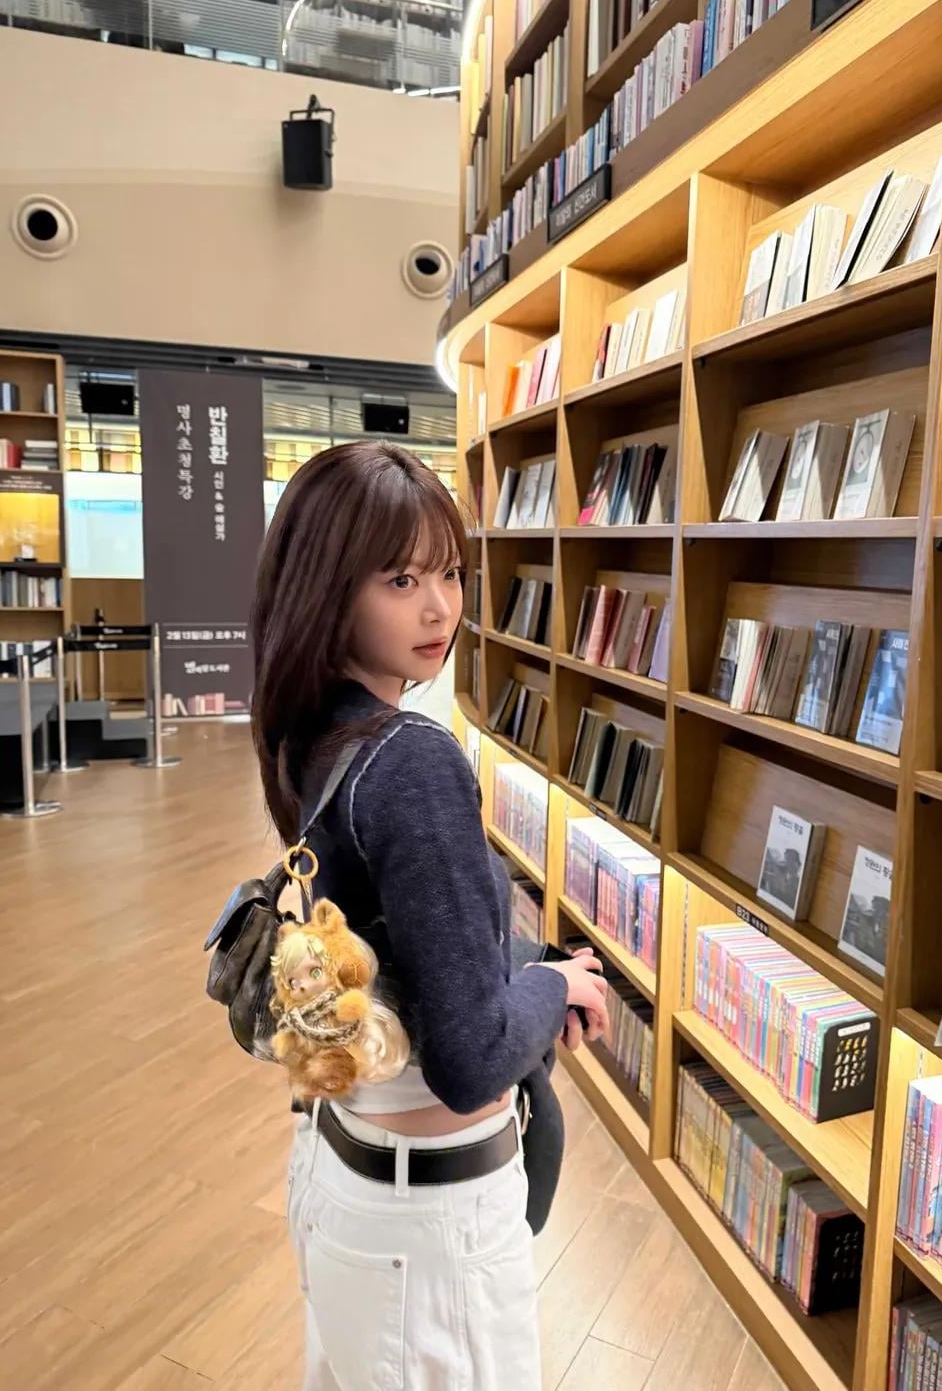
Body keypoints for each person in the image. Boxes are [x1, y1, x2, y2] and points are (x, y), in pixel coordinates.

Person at [249, 441, 610, 1391]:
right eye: (401, 579)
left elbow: (402, 942)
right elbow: (469, 1059)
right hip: (430, 1226)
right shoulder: (411, 758)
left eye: (449, 573)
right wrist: (551, 984)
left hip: (345, 1164)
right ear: (329, 588)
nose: (441, 608)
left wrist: (522, 967)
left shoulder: (312, 730)